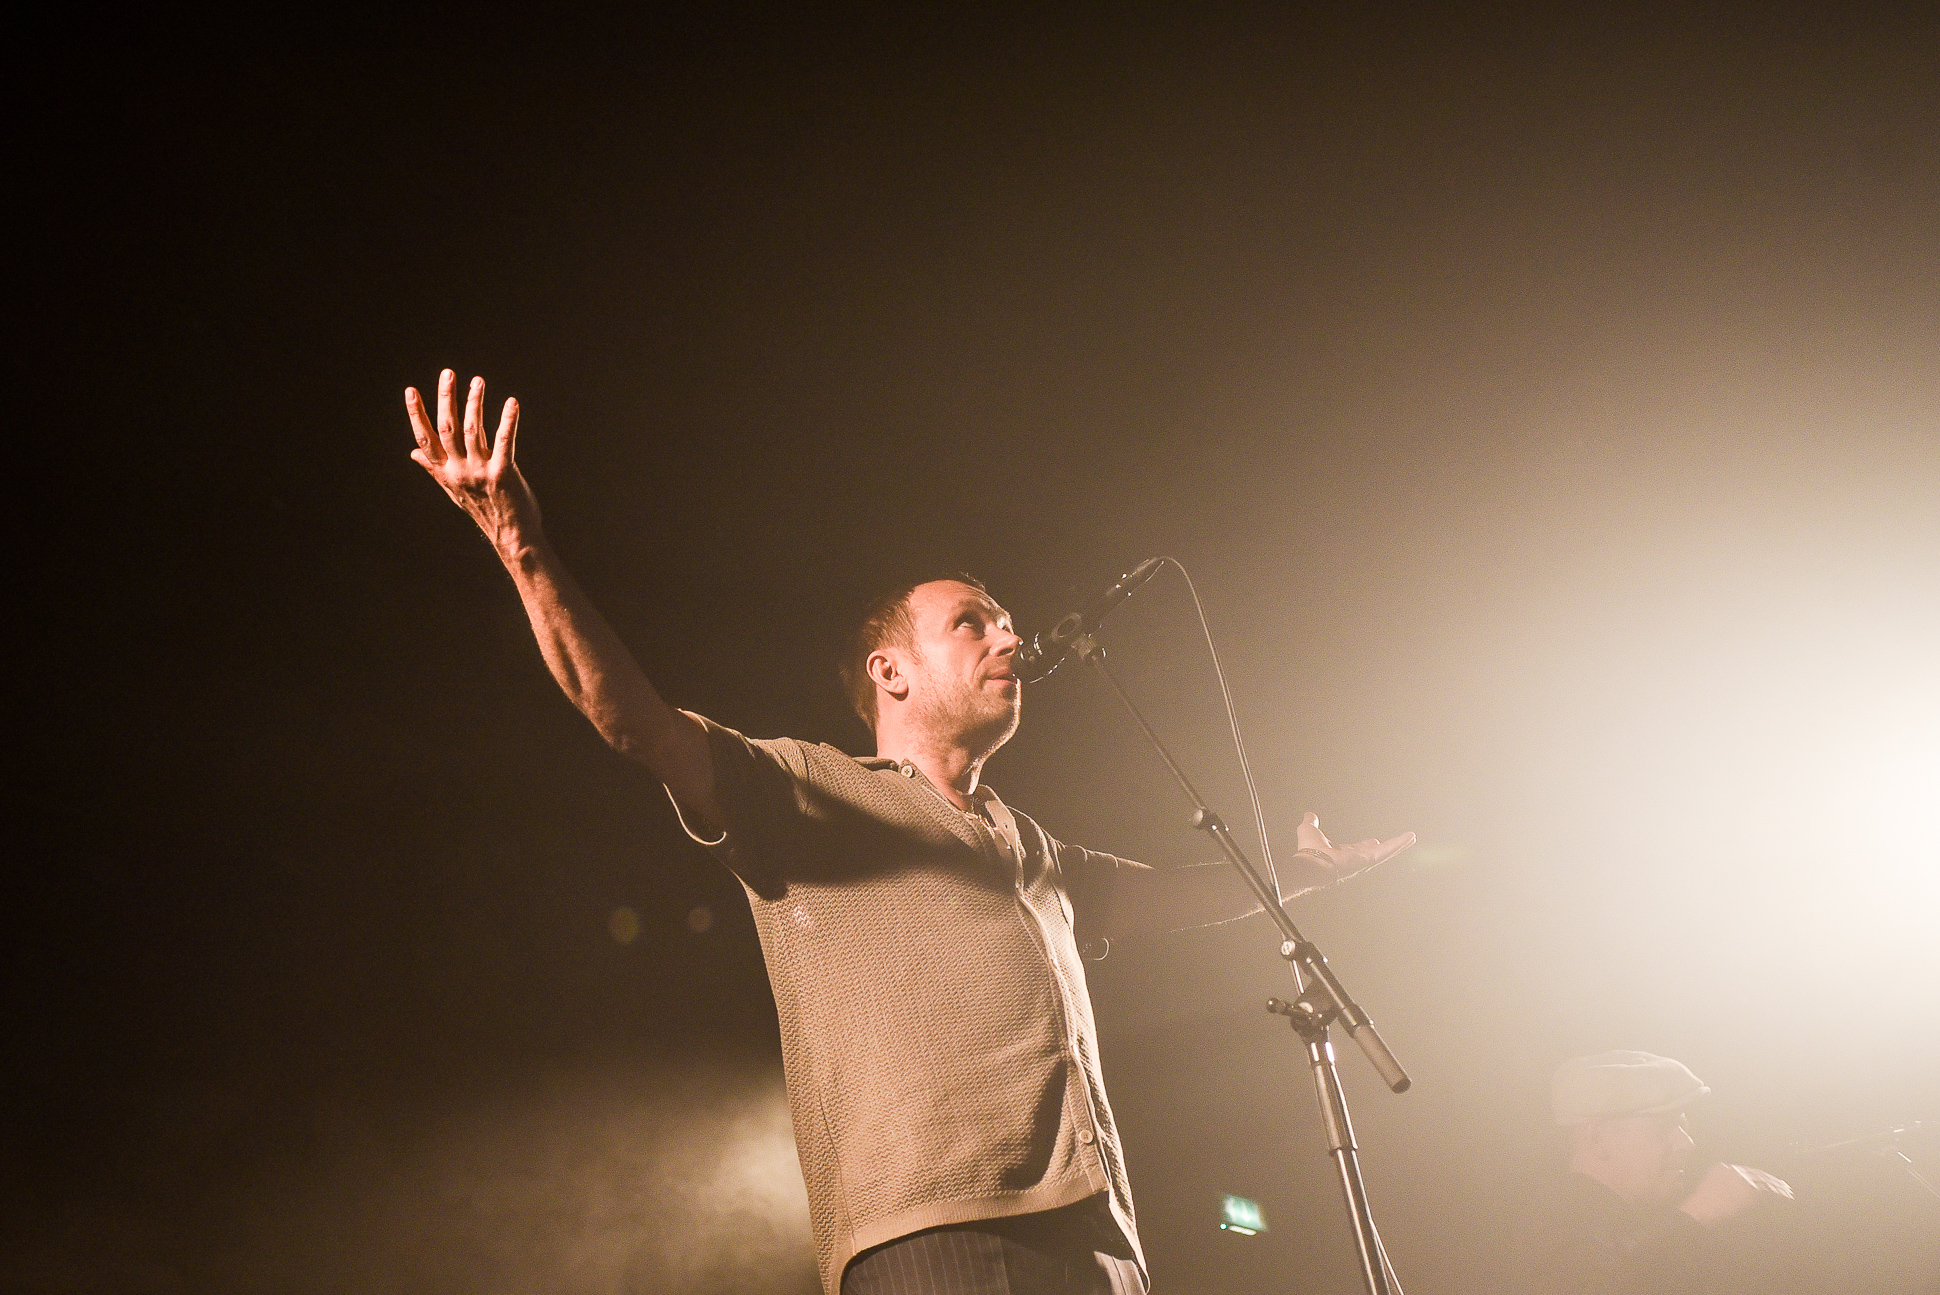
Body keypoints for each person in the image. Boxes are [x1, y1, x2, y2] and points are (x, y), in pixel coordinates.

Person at [404, 371, 1415, 1295]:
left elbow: (1180, 889)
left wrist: (1296, 874)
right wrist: (520, 546)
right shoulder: (803, 784)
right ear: (890, 672)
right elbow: (632, 720)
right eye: (972, 622)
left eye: (1005, 620)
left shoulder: (1031, 843)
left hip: (1099, 1241)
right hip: (934, 1234)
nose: (1010, 637)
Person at [1527, 1049, 1795, 1294]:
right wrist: (1696, 1215)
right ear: (1596, 1137)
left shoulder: (1633, 1229)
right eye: (1665, 1127)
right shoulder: (1552, 1232)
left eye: (1684, 1126)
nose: (1686, 1143)